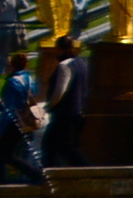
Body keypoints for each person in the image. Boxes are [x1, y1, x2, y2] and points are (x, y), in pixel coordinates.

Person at [39, 37, 87, 168]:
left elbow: (59, 92)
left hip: (64, 114)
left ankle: (89, 170)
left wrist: (47, 107)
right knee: (54, 146)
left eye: (56, 49)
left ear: (60, 49)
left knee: (61, 147)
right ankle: (49, 175)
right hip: (77, 113)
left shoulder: (64, 66)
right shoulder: (81, 64)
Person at [0, 54, 44, 185]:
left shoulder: (12, 82)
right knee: (4, 153)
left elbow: (8, 107)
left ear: (12, 65)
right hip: (25, 120)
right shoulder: (29, 79)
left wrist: (2, 128)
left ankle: (35, 174)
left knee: (5, 154)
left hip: (12, 123)